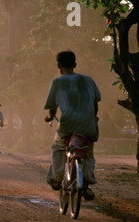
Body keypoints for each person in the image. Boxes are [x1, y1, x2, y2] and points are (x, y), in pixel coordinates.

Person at [44, 50, 101, 200]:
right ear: (75, 64)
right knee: (87, 151)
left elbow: (52, 107)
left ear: (59, 65)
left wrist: (50, 117)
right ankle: (87, 183)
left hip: (68, 124)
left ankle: (56, 178)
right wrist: (92, 118)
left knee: (58, 147)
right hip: (88, 124)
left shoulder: (57, 82)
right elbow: (95, 103)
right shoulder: (88, 80)